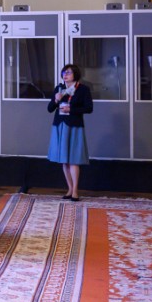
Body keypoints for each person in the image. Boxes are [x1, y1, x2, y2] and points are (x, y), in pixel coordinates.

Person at [47, 63, 93, 200]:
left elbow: (89, 108)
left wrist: (71, 109)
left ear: (75, 75)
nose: (65, 75)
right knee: (64, 161)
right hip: (60, 125)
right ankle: (69, 189)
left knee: (73, 160)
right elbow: (50, 108)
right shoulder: (59, 88)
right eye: (64, 73)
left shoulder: (83, 89)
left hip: (74, 126)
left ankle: (75, 191)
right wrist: (56, 100)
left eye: (68, 72)